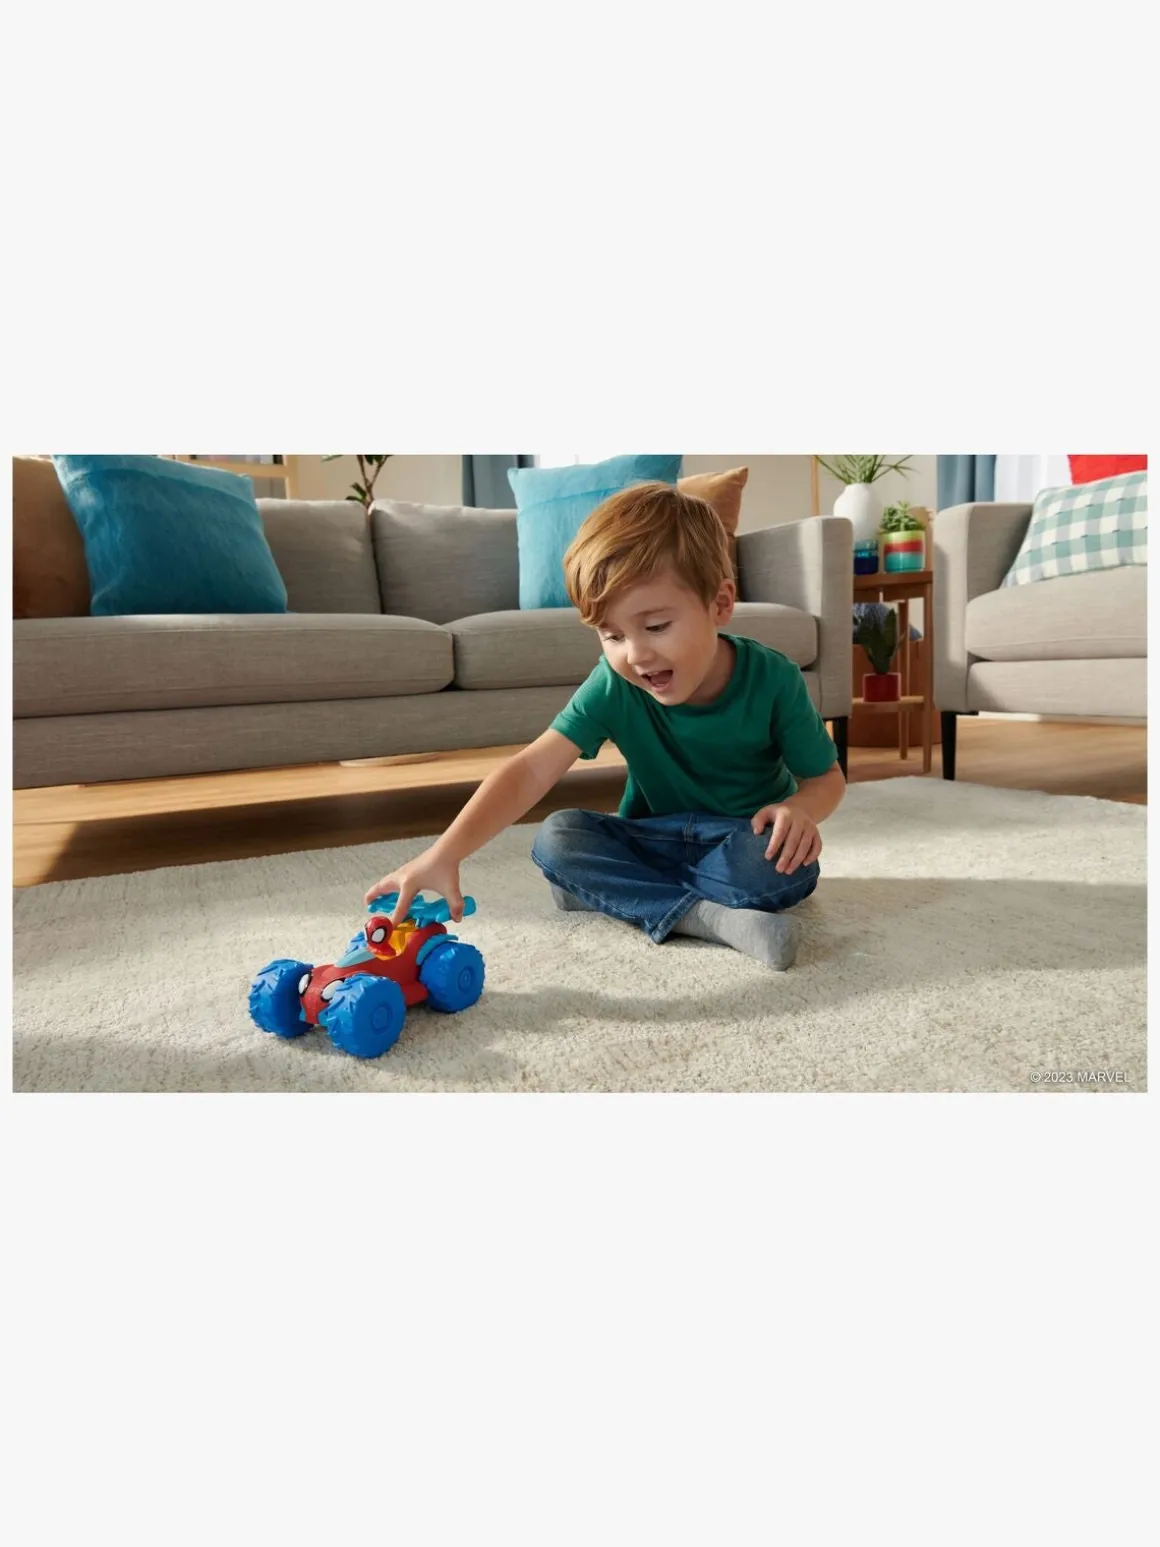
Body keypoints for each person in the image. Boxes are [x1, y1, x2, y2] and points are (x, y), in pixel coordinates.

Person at [364, 481, 846, 971]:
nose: (635, 655)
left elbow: (826, 779)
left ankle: (620, 894)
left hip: (740, 841)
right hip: (651, 838)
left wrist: (800, 810)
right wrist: (444, 854)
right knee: (559, 837)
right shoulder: (615, 684)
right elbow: (531, 769)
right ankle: (708, 916)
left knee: (786, 863)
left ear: (720, 604)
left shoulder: (774, 678)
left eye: (656, 627)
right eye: (612, 635)